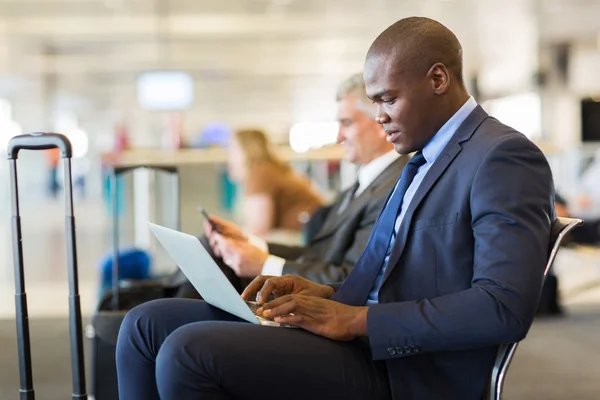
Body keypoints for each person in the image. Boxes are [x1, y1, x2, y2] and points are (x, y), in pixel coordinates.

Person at [116, 17, 554, 400]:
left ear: (438, 79)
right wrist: (319, 294)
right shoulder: (425, 156)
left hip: (410, 371)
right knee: (146, 324)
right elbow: (386, 274)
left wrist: (357, 320)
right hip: (363, 341)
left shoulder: (503, 157)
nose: (379, 116)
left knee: (187, 352)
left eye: (387, 99)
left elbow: (503, 308)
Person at [173, 73, 408, 298]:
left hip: (322, 306)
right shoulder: (362, 185)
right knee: (211, 251)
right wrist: (250, 242)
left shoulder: (393, 187)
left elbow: (351, 276)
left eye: (346, 123)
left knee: (209, 260)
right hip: (309, 283)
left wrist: (264, 263)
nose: (338, 137)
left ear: (380, 124)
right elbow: (318, 256)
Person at [227, 128, 324, 237]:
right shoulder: (271, 169)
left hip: (301, 237)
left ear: (247, 150)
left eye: (234, 149)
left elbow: (259, 228)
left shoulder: (261, 172)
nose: (229, 156)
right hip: (310, 233)